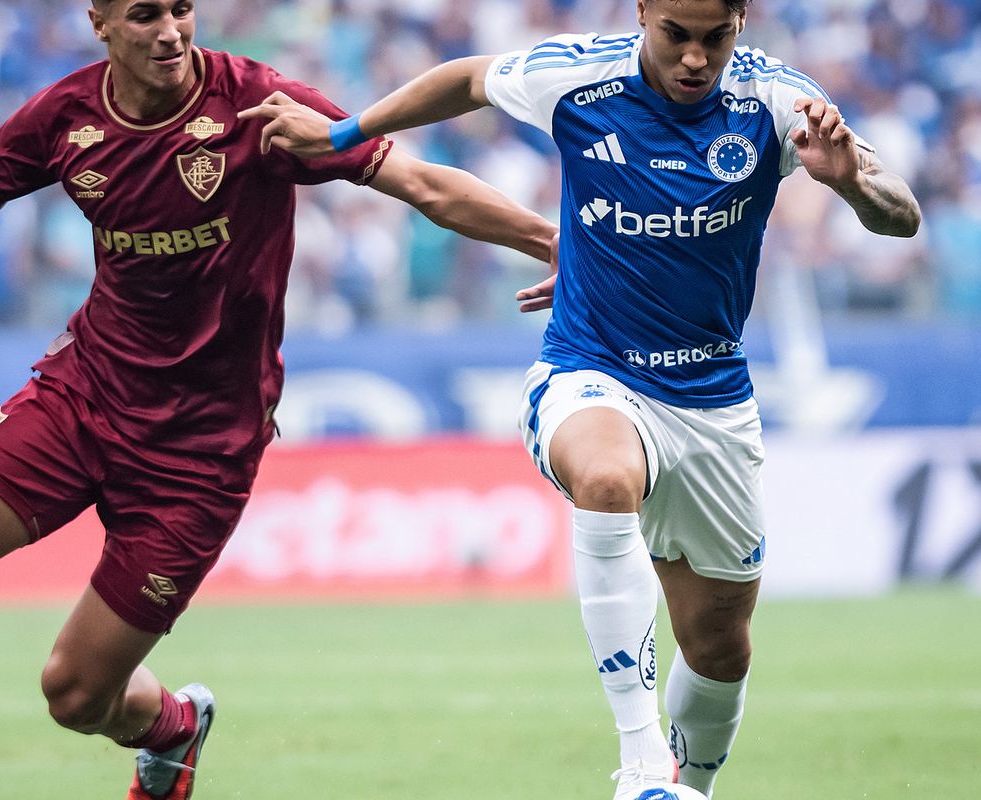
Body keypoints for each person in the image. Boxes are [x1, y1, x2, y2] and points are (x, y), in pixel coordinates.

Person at [0, 1, 556, 798]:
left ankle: (172, 726)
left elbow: (422, 182)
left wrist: (557, 245)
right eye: (145, 15)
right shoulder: (61, 119)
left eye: (181, 8)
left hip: (202, 453)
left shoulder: (260, 105)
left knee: (74, 693)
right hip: (84, 397)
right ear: (100, 21)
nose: (171, 31)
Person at [242, 1, 920, 797]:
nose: (695, 58)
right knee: (605, 476)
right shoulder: (576, 76)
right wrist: (344, 132)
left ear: (742, 21)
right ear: (644, 12)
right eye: (676, 35)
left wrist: (853, 185)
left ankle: (689, 787)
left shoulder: (778, 101)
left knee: (720, 647)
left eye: (715, 38)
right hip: (590, 367)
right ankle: (641, 762)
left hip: (711, 400)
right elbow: (466, 79)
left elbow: (902, 216)